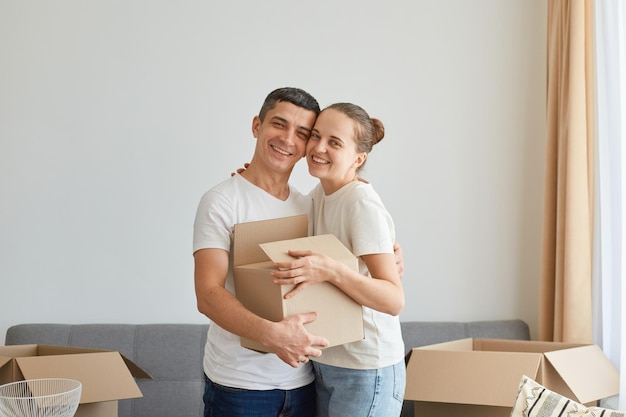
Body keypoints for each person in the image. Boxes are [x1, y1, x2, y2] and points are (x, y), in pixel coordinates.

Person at [193, 87, 330, 417]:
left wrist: (390, 254)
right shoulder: (222, 200)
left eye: (301, 133)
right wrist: (274, 336)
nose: (287, 139)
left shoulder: (312, 205)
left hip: (304, 382)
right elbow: (208, 294)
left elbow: (339, 265)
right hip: (239, 386)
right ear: (257, 126)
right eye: (279, 124)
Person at [270, 102, 406, 417]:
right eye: (315, 136)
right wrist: (248, 180)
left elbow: (394, 299)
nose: (318, 148)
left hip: (367, 368)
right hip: (328, 360)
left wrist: (331, 270)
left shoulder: (360, 204)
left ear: (358, 158)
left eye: (334, 142)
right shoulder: (320, 194)